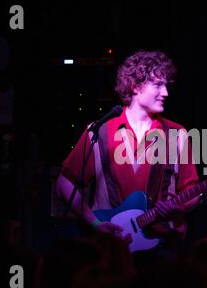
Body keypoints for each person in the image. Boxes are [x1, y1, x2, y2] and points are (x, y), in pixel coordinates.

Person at [54, 50, 199, 259]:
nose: (166, 92)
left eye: (166, 85)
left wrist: (177, 207)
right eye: (158, 85)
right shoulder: (99, 131)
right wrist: (94, 223)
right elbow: (64, 184)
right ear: (135, 86)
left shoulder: (178, 135)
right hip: (111, 249)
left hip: (162, 247)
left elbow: (191, 190)